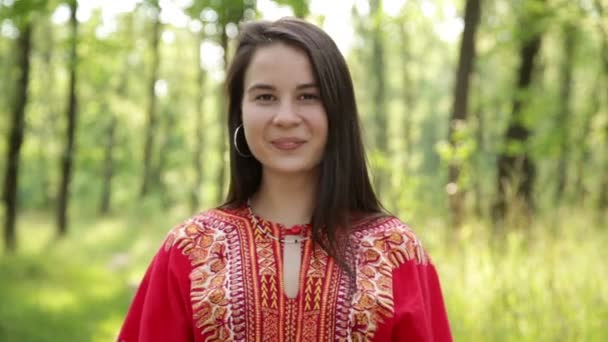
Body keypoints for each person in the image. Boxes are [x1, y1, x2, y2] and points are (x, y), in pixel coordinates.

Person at [118, 17, 452, 342]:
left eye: (309, 96)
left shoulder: (396, 250)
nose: (286, 117)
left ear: (338, 111)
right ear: (240, 113)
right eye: (265, 97)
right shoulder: (190, 249)